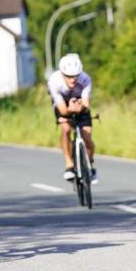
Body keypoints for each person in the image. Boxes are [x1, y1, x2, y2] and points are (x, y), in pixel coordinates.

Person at [47, 53, 96, 183]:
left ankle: (89, 165)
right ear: (62, 74)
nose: (73, 79)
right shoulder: (54, 81)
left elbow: (86, 104)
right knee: (66, 129)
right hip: (63, 103)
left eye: (75, 76)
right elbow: (62, 109)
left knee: (87, 138)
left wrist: (80, 108)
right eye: (68, 76)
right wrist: (68, 111)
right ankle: (69, 164)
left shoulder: (85, 79)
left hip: (80, 103)